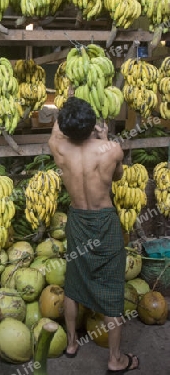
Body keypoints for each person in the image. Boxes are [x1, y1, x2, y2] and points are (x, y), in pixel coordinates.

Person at [48, 97, 139, 374]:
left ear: (66, 127)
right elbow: (118, 177)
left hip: (77, 220)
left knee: (74, 281)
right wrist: (104, 136)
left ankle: (72, 343)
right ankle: (115, 359)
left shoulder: (58, 147)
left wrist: (67, 112)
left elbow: (55, 129)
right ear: (92, 125)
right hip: (104, 223)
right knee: (112, 287)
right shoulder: (112, 150)